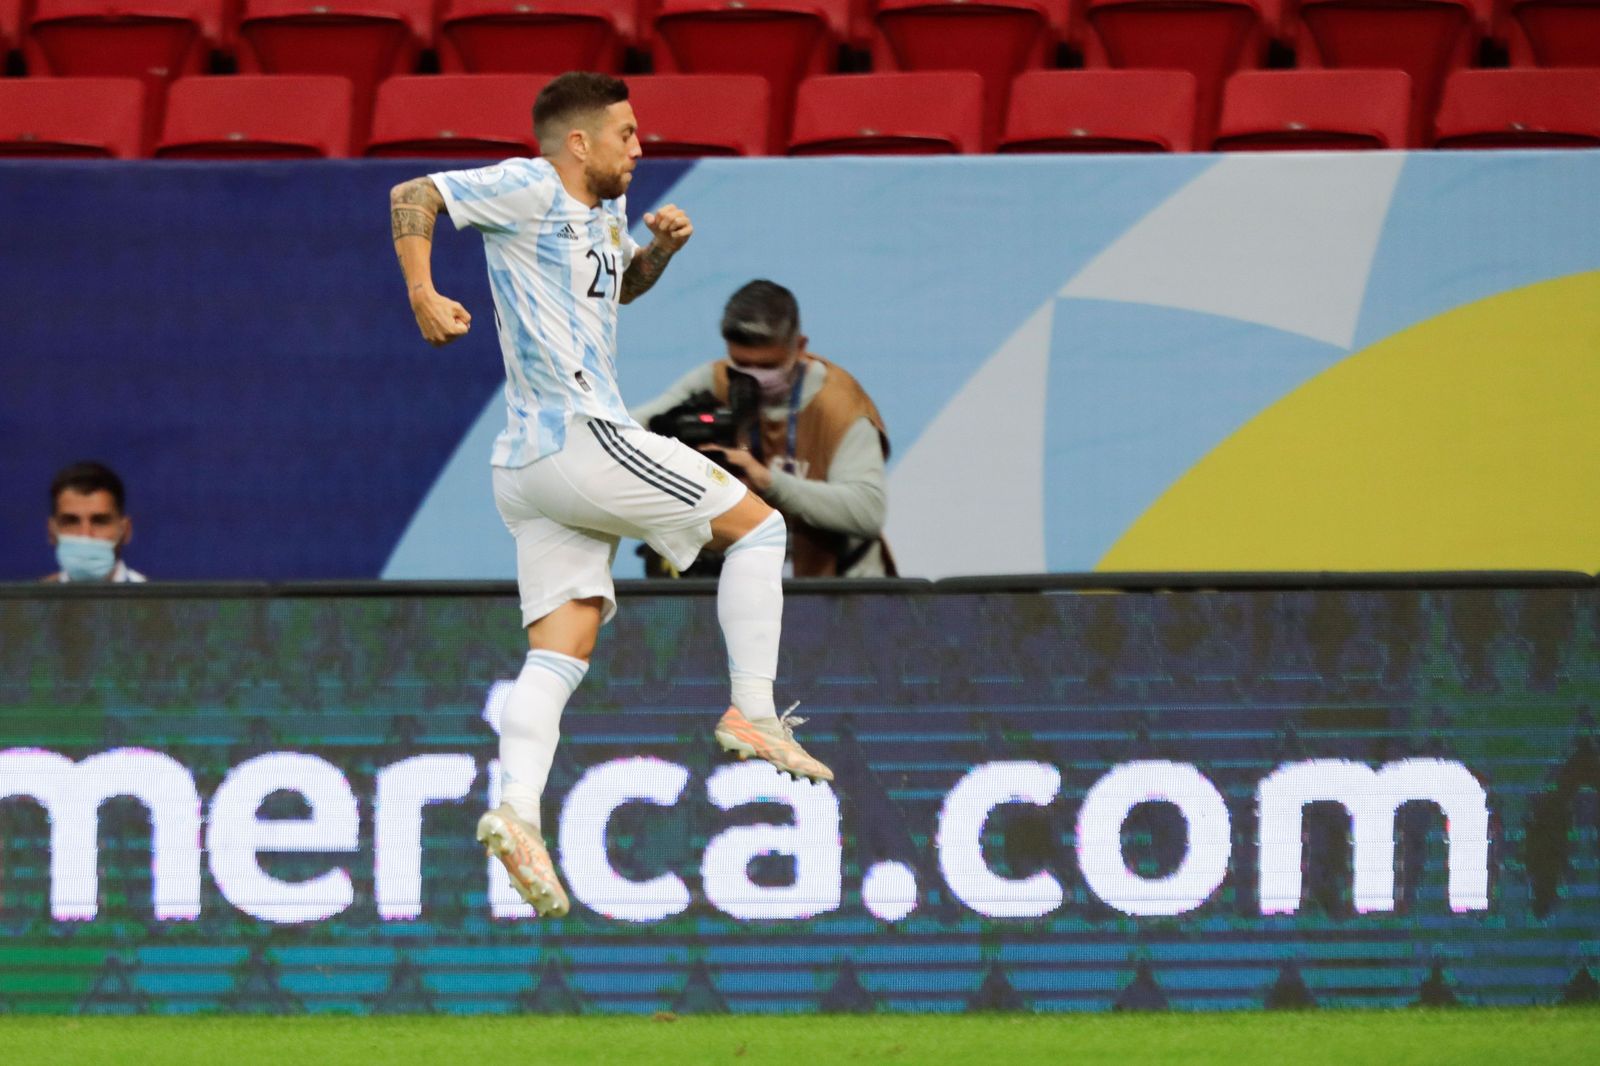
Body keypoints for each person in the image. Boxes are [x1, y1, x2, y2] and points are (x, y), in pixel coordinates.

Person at [388, 71, 832, 919]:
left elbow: (614, 287)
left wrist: (656, 252)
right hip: (578, 437)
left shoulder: (600, 215)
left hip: (529, 472)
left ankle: (516, 810)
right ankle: (753, 712)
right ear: (579, 142)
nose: (640, 144)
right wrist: (423, 291)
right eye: (626, 133)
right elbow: (415, 193)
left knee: (563, 645)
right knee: (761, 528)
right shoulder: (527, 182)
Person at [633, 280, 894, 578]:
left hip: (841, 592)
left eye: (767, 366)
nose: (753, 378)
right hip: (742, 577)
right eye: (742, 364)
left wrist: (768, 482)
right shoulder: (715, 380)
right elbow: (627, 433)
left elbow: (868, 512)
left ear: (799, 347)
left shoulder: (841, 407)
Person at [43, 461, 146, 584]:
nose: (85, 535)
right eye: (71, 522)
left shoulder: (157, 602)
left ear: (126, 530)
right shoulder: (28, 602)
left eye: (100, 521)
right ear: (51, 531)